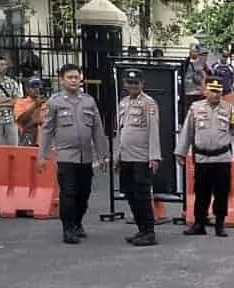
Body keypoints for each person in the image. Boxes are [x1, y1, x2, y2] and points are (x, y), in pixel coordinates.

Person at [38, 62, 107, 245]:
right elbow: (47, 130)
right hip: (66, 156)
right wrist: (42, 155)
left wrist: (103, 154)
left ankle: (77, 223)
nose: (74, 81)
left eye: (76, 77)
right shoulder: (55, 102)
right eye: (70, 77)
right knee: (68, 193)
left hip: (86, 156)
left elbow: (98, 130)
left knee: (83, 194)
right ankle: (68, 229)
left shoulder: (88, 101)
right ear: (62, 80)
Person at [178, 77, 234, 237]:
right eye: (212, 91)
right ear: (205, 91)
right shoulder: (195, 108)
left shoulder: (229, 108)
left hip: (222, 158)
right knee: (201, 192)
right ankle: (199, 223)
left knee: (221, 192)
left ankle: (220, 224)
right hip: (202, 158)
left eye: (218, 91)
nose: (215, 95)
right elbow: (187, 132)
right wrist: (181, 153)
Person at [114, 68, 161, 246]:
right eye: (129, 83)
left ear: (142, 84)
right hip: (126, 157)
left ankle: (149, 232)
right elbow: (120, 131)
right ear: (125, 84)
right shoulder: (123, 102)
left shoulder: (148, 103)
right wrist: (116, 155)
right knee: (130, 195)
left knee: (142, 196)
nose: (132, 86)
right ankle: (141, 229)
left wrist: (154, 156)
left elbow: (153, 130)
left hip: (142, 157)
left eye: (136, 83)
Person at [14, 77, 48, 146]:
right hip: (28, 138)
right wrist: (35, 105)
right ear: (27, 89)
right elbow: (21, 120)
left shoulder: (47, 103)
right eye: (33, 87)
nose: (36, 89)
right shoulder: (21, 102)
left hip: (45, 138)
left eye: (38, 87)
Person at [181, 44, 207, 115]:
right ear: (190, 52)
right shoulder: (185, 62)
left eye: (196, 51)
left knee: (199, 110)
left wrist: (204, 88)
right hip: (189, 91)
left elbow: (206, 74)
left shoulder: (202, 62)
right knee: (189, 110)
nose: (195, 53)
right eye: (193, 51)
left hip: (199, 91)